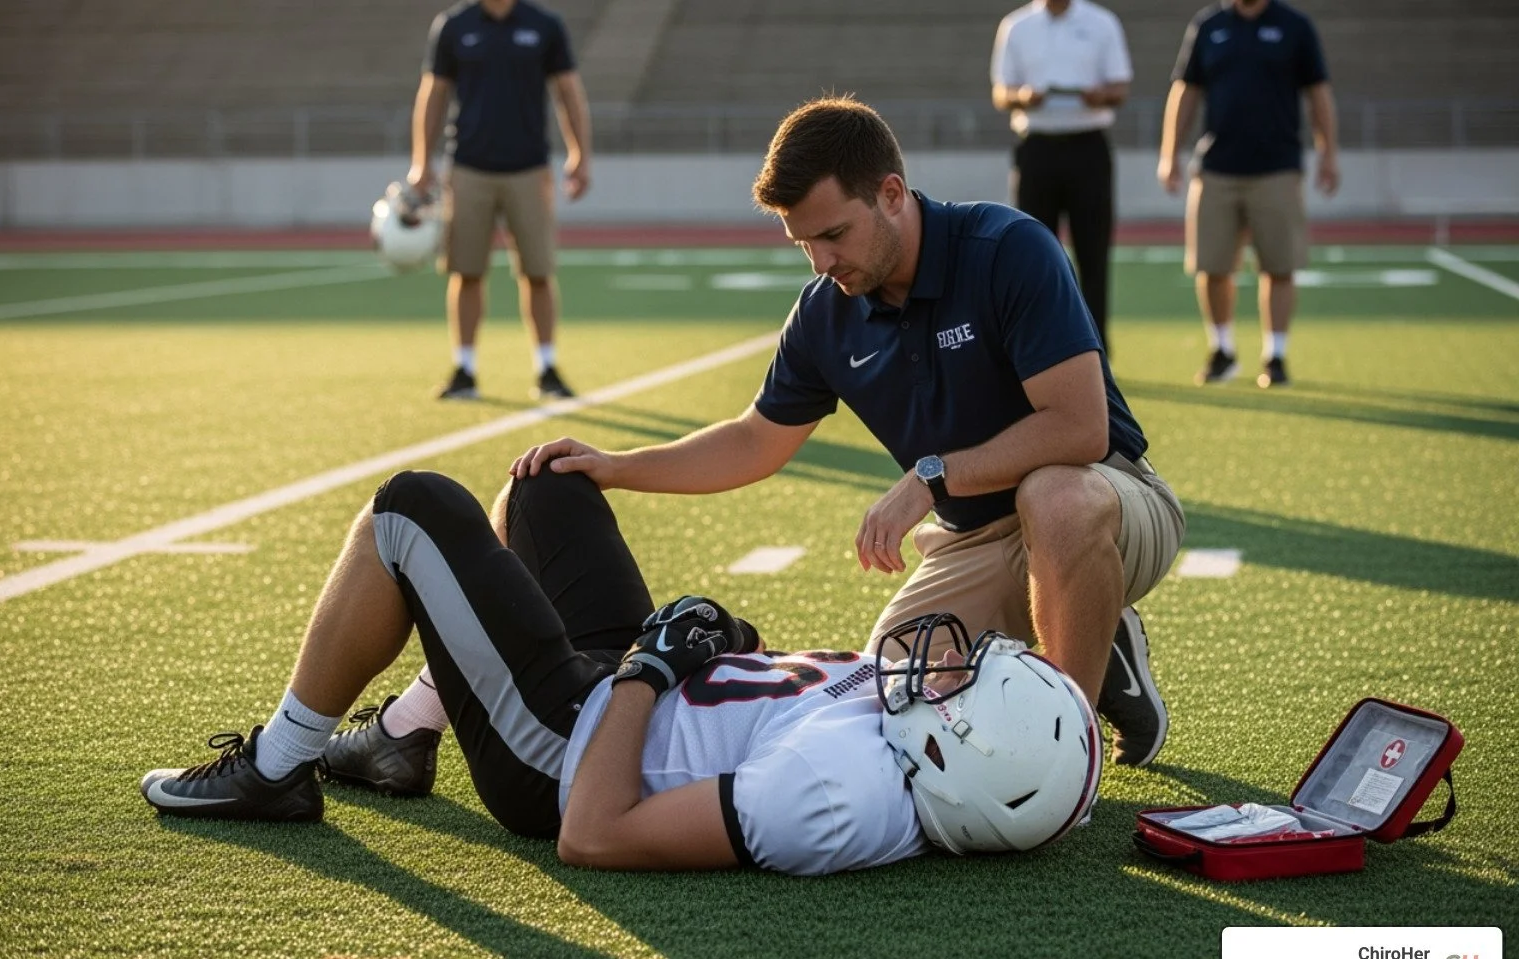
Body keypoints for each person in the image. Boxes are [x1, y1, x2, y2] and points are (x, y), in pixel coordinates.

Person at [511, 97, 1186, 767]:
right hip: (978, 534)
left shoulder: (1007, 248)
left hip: (1110, 495)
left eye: (833, 235)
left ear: (891, 194)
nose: (819, 262)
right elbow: (754, 441)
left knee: (1056, 500)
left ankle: (1069, 751)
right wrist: (613, 466)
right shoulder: (824, 314)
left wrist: (932, 475)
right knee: (890, 686)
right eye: (803, 243)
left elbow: (1079, 428)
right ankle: (1104, 641)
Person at [139, 469, 1103, 875]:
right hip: (635, 694)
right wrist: (729, 651)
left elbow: (596, 832)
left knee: (411, 510)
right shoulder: (923, 754)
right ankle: (403, 737)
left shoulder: (835, 798)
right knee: (546, 485)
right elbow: (771, 713)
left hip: (570, 747)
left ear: (957, 756)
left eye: (958, 686)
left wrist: (651, 665)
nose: (942, 664)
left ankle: (275, 767)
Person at [410, 0, 592, 402]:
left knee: (538, 271)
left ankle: (546, 367)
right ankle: (465, 367)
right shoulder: (454, 25)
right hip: (469, 166)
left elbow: (568, 91)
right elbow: (433, 94)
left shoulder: (543, 24)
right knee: (466, 271)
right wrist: (421, 162)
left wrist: (580, 153)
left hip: (528, 166)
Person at [1157, 0, 1339, 389]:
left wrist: (1329, 154)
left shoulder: (1294, 26)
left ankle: (1275, 354)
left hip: (1276, 167)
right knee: (1211, 266)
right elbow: (1185, 90)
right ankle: (1221, 350)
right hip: (1216, 167)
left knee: (1279, 265)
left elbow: (1318, 92)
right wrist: (1169, 152)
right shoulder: (1209, 25)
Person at [990, 0, 1133, 355]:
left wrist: (1100, 95)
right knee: (1033, 253)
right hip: (1037, 146)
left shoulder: (1101, 22)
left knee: (1093, 252)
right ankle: (1040, 344)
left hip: (1088, 147)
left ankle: (1096, 346)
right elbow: (1000, 92)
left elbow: (1121, 87)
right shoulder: (1017, 25)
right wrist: (1022, 97)